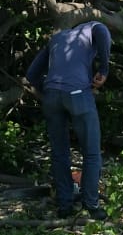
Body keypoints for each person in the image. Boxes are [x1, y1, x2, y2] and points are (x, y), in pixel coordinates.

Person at [26, 20, 112, 220]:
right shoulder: (95, 28)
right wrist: (105, 70)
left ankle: (64, 205)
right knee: (91, 152)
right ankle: (91, 204)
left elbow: (31, 74)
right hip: (78, 93)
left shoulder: (58, 38)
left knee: (59, 152)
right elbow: (102, 31)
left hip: (51, 96)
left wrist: (48, 91)